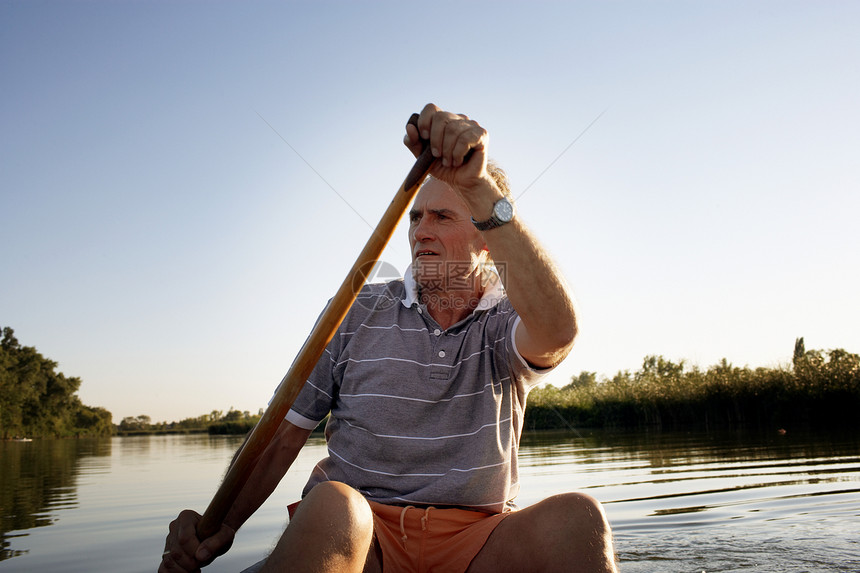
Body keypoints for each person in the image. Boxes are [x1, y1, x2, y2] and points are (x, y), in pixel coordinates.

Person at [159, 104, 617, 573]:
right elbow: (281, 437)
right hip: (360, 538)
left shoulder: (505, 319)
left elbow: (558, 333)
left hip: (476, 543)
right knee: (336, 506)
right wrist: (221, 525)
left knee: (577, 518)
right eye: (416, 218)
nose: (421, 232)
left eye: (442, 217)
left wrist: (479, 189)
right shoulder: (357, 309)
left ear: (485, 240)